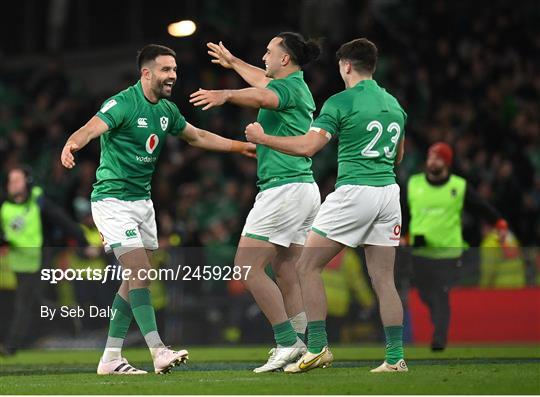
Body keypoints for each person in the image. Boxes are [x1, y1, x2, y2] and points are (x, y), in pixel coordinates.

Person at [60, 44, 255, 375]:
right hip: (113, 200)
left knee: (137, 278)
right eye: (166, 70)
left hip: (142, 203)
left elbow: (197, 136)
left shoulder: (167, 109)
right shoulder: (123, 103)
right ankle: (158, 350)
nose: (173, 76)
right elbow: (93, 127)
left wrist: (238, 146)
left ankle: (110, 358)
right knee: (139, 271)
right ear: (146, 73)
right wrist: (72, 143)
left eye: (175, 70)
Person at [245, 37, 409, 373]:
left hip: (354, 192)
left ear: (346, 66)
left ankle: (317, 347)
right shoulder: (395, 105)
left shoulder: (341, 102)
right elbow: (399, 156)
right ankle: (395, 358)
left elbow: (308, 147)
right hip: (388, 193)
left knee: (306, 266)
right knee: (383, 280)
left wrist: (263, 139)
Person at [189, 33, 322, 372]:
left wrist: (226, 94)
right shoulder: (296, 85)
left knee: (246, 267)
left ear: (285, 60)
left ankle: (287, 342)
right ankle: (302, 346)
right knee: (286, 270)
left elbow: (262, 95)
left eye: (268, 51)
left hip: (283, 189)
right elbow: (262, 82)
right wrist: (233, 63)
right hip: (303, 188)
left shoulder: (286, 89)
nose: (263, 56)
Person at [403, 142, 509, 351]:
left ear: (447, 162)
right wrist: (402, 234)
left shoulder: (458, 186)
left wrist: (499, 222)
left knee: (441, 293)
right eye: (430, 156)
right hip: (420, 251)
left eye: (438, 157)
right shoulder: (413, 183)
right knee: (425, 294)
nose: (432, 161)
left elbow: (480, 206)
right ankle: (438, 320)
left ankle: (439, 338)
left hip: (448, 252)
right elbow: (403, 213)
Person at [0, 166, 89, 356]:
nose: (13, 184)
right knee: (33, 302)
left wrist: (81, 239)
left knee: (23, 302)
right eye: (10, 181)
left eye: (17, 180)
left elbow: (60, 219)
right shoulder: (4, 205)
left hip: (38, 259)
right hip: (17, 262)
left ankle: (11, 346)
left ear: (27, 182)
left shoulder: (38, 201)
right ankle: (65, 315)